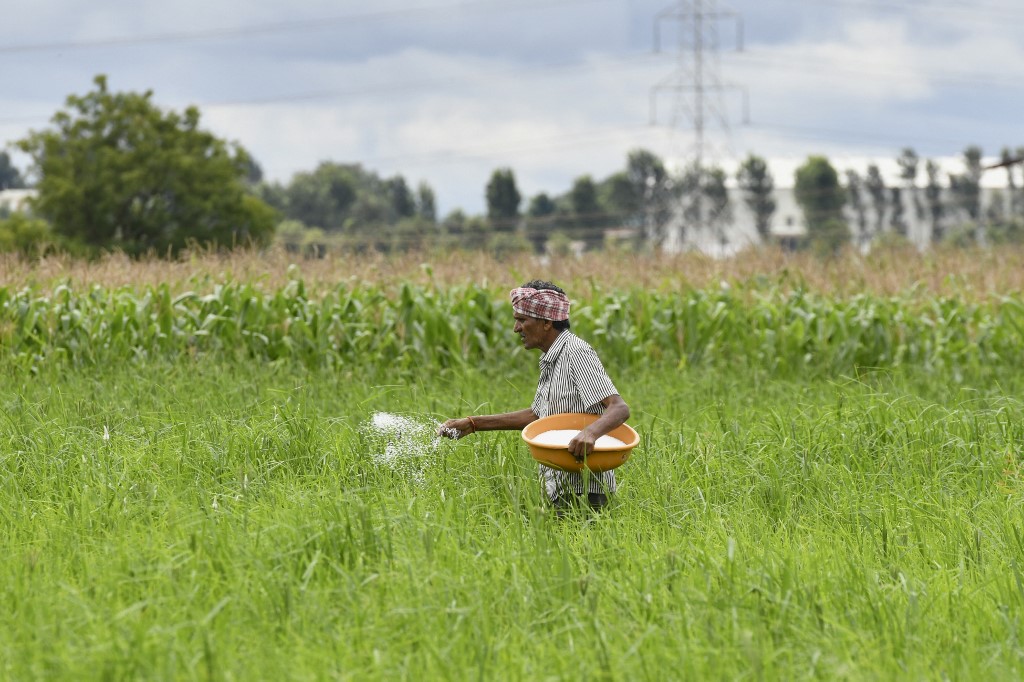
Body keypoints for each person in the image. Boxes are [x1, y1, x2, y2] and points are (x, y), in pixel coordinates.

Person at [439, 280, 630, 512]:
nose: (516, 328)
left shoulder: (575, 352)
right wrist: (473, 424)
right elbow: (537, 416)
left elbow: (619, 408)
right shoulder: (551, 358)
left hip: (586, 490)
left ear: (547, 323)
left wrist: (590, 433)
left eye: (522, 320)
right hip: (559, 487)